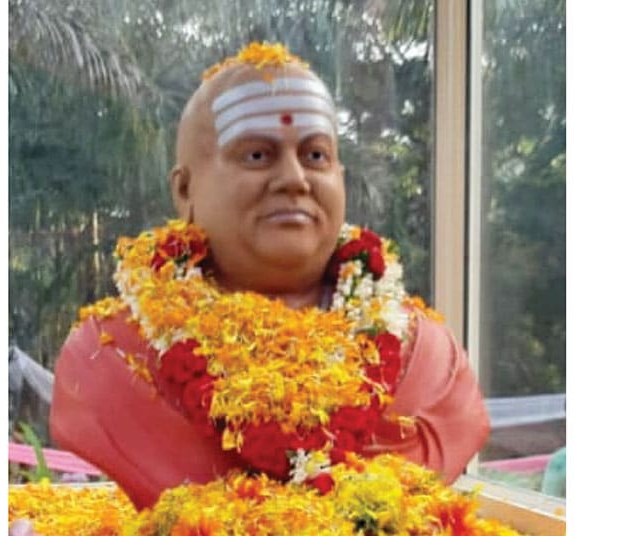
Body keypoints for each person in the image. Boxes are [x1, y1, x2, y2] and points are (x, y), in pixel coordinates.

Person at [50, 42, 490, 511]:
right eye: (258, 155)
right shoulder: (108, 356)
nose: (294, 179)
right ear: (185, 190)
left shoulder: (427, 358)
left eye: (315, 155)